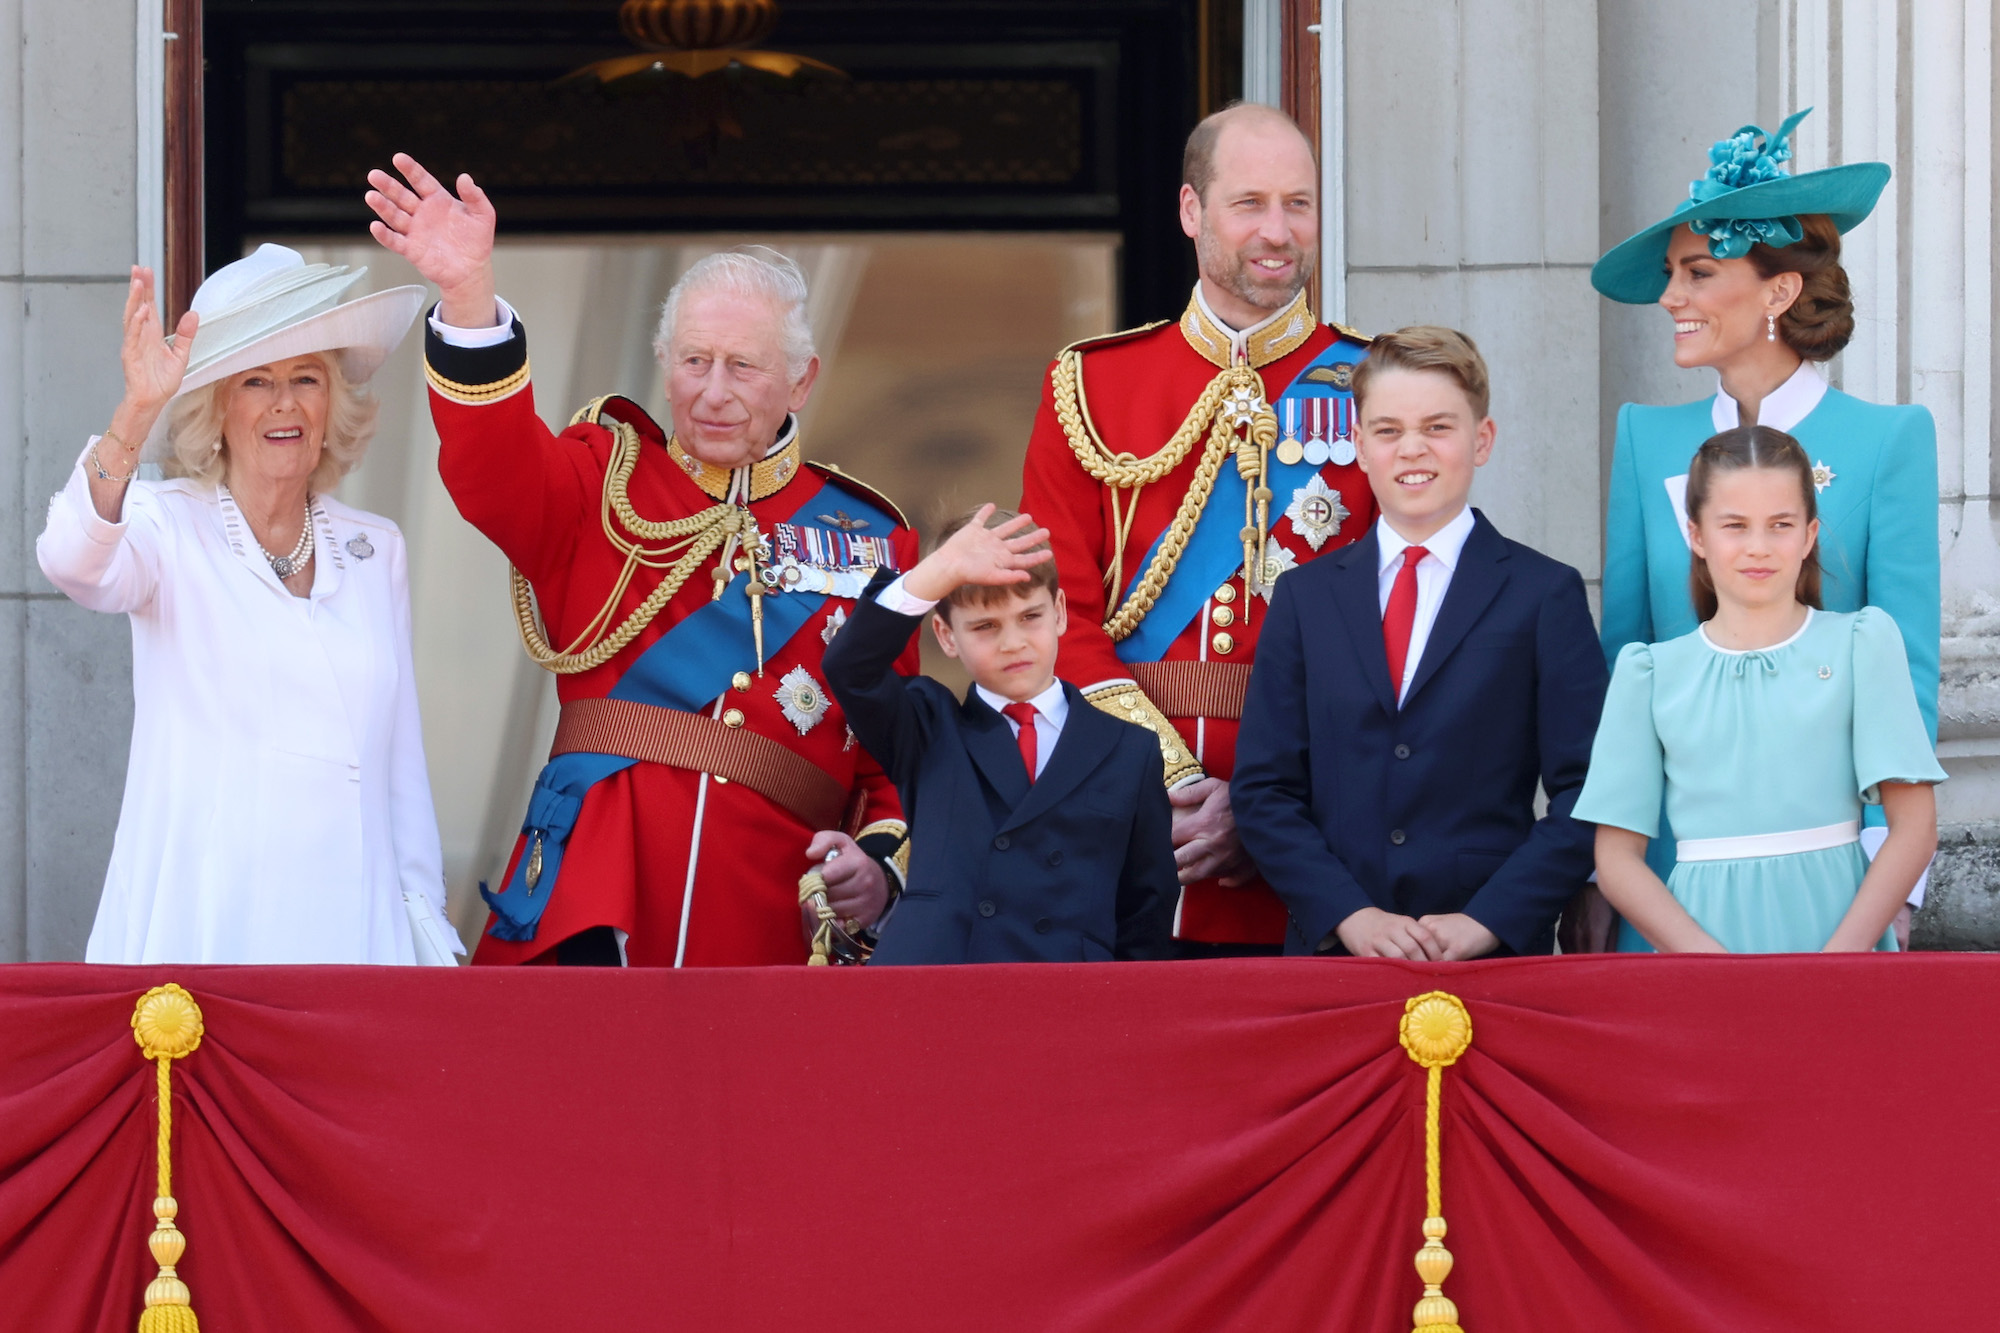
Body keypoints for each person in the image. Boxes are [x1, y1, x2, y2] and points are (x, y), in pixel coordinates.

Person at [365, 153, 918, 968]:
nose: (713, 391)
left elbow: (893, 758)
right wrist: (468, 298)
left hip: (768, 925)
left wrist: (877, 867)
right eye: (695, 361)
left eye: (744, 365)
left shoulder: (872, 540)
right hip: (592, 903)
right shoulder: (603, 476)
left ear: (801, 381)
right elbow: (494, 474)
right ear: (665, 364)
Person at [1020, 103, 1380, 957]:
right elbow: (1052, 616)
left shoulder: (1380, 387)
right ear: (1192, 212)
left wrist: (1263, 806)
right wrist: (1170, 779)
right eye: (1248, 203)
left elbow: (1401, 628)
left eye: (1299, 203)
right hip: (1128, 824)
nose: (1278, 231)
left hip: (1316, 845)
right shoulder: (1093, 385)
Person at [36, 247, 456, 965]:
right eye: (256, 380)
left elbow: (400, 771)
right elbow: (72, 560)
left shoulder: (373, 549)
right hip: (210, 934)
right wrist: (135, 414)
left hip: (357, 942)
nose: (285, 402)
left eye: (306, 377)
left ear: (332, 403)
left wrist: (426, 940)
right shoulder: (166, 527)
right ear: (218, 408)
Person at [1592, 109, 1938, 934]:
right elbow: (1621, 662)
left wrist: (1892, 893)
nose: (1672, 297)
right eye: (1674, 274)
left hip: (1837, 893)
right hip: (1674, 893)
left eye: (1699, 272)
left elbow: (1910, 673)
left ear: (1778, 290)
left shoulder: (1889, 440)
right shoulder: (1646, 435)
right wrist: (1602, 877)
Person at [1231, 328, 1606, 959]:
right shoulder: (1304, 597)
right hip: (1336, 954)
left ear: (1481, 441)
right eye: (1388, 430)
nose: (1412, 450)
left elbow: (1590, 789)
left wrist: (1490, 918)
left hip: (1489, 952)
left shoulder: (1544, 594)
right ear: (1358, 444)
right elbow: (1265, 791)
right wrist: (1348, 915)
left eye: (1438, 428)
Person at [1576, 427, 1944, 953]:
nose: (1758, 547)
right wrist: (1711, 965)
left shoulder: (1861, 645)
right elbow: (1615, 858)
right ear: (1697, 536)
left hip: (1839, 936)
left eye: (1780, 525)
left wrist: (1836, 963)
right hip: (1700, 949)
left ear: (1809, 534)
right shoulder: (1650, 674)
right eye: (1734, 526)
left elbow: (1915, 829)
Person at [822, 505, 1176, 963]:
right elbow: (851, 668)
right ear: (947, 637)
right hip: (935, 989)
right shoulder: (927, 726)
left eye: (1030, 616)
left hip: (1068, 1001)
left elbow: (1144, 914)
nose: (1013, 642)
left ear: (1060, 613)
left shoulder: (1131, 749)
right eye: (986, 626)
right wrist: (941, 570)